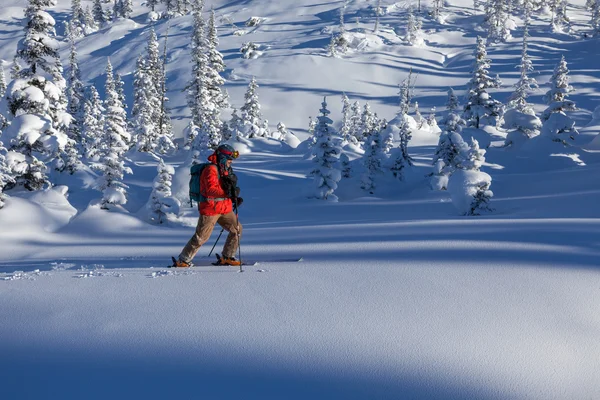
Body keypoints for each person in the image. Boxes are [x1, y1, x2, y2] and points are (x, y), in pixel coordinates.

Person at [172, 144, 243, 267]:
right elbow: (209, 190)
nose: (231, 162)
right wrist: (228, 193)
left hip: (224, 208)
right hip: (211, 209)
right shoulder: (210, 170)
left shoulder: (225, 169)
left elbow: (226, 187)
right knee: (201, 237)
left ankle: (228, 256)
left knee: (237, 229)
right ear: (223, 157)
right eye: (229, 159)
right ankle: (183, 260)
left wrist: (234, 197)